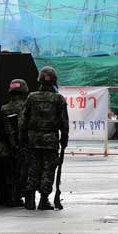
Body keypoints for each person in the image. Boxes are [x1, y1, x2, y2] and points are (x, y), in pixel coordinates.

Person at [20, 66, 69, 210]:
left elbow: (23, 120)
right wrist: (64, 140)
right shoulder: (59, 99)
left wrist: (23, 138)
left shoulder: (31, 97)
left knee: (33, 168)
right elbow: (64, 123)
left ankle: (29, 199)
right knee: (48, 169)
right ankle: (44, 199)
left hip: (33, 140)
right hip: (51, 141)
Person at [0, 79, 29, 207]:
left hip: (7, 148)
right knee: (23, 173)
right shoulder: (27, 107)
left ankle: (11, 197)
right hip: (24, 146)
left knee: (10, 174)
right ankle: (20, 197)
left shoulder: (4, 108)